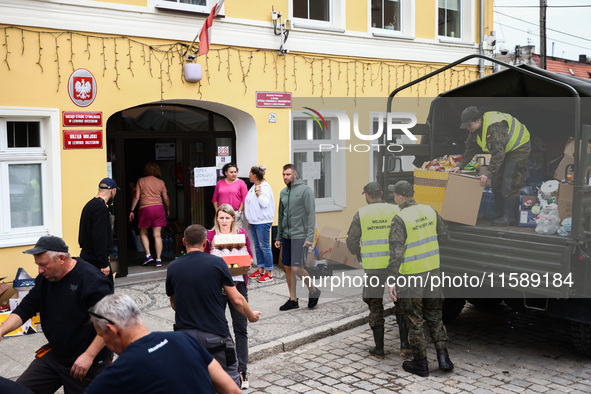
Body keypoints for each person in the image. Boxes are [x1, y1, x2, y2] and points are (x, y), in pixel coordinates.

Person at [0, 236, 113, 393]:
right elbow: (26, 307)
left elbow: (109, 323)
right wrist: (2, 330)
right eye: (38, 265)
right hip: (57, 355)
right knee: (17, 390)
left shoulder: (92, 280)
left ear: (61, 258)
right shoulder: (45, 279)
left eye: (43, 265)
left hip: (89, 361)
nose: (39, 270)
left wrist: (88, 356)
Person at [166, 224, 261, 388]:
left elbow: (174, 302)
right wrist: (250, 315)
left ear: (183, 241)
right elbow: (237, 299)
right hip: (215, 335)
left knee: (191, 383)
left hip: (185, 337)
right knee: (230, 382)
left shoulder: (173, 267)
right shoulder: (217, 263)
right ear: (204, 243)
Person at [85, 293, 241, 394]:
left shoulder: (116, 375)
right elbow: (233, 390)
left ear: (112, 330)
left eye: (101, 336)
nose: (104, 342)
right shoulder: (185, 340)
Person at [386, 181, 453, 377]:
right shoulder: (430, 210)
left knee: (414, 319)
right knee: (435, 315)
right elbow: (445, 236)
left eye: (395, 196)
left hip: (412, 276)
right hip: (433, 272)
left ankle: (420, 363)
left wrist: (391, 280)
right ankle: (444, 359)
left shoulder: (399, 218)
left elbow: (396, 253)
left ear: (399, 197)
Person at [346, 182, 411, 360]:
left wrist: (358, 254)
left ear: (366, 194)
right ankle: (405, 345)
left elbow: (351, 241)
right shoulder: (395, 210)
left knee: (375, 306)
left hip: (373, 267)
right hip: (396, 266)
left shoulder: (361, 214)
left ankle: (379, 349)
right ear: (381, 193)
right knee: (401, 304)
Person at [451, 106, 530, 226]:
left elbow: (498, 155)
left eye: (469, 125)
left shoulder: (494, 127)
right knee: (497, 179)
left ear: (478, 120)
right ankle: (499, 212)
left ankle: (509, 217)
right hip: (503, 149)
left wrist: (486, 174)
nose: (467, 128)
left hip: (518, 147)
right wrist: (460, 166)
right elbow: (470, 149)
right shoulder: (474, 130)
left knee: (509, 182)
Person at [205, 204, 254, 389]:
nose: (224, 221)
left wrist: (248, 262)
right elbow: (205, 260)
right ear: (217, 218)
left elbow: (249, 256)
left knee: (241, 329)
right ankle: (224, 369)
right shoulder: (210, 236)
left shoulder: (241, 234)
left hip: (238, 287)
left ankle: (242, 370)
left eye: (227, 217)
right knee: (219, 331)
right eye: (221, 217)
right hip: (217, 290)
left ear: (233, 218)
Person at [274, 163, 321, 311]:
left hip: (300, 235)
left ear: (295, 174)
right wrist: (278, 237)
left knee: (296, 267)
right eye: (283, 174)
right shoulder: (283, 192)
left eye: (288, 174)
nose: (285, 177)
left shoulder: (305, 191)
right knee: (287, 267)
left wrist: (309, 237)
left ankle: (313, 290)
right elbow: (281, 217)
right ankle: (293, 299)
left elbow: (311, 215)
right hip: (286, 236)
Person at [129, 162, 170, 267]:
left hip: (145, 208)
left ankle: (148, 255)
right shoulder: (161, 182)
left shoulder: (141, 181)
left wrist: (132, 210)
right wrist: (168, 209)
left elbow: (136, 197)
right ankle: (159, 259)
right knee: (157, 235)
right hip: (159, 208)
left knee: (143, 233)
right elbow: (165, 198)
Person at [79, 177, 119, 283]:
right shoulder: (100, 208)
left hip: (87, 257)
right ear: (113, 191)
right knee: (106, 294)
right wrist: (103, 263)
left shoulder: (90, 205)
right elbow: (99, 236)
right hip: (95, 260)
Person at [245, 165, 276, 283]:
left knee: (265, 247)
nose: (248, 175)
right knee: (258, 246)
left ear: (255, 175)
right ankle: (261, 269)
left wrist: (258, 192)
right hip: (254, 221)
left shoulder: (265, 188)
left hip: (262, 222)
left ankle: (269, 273)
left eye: (250, 173)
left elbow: (264, 203)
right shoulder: (254, 186)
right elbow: (251, 204)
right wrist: (250, 220)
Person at [212, 163, 248, 228]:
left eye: (235, 172)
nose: (234, 174)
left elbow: (245, 199)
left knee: (236, 233)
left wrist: (239, 211)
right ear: (226, 173)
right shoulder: (220, 183)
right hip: (222, 213)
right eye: (231, 172)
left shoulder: (241, 182)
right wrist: (217, 211)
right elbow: (215, 199)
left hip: (235, 213)